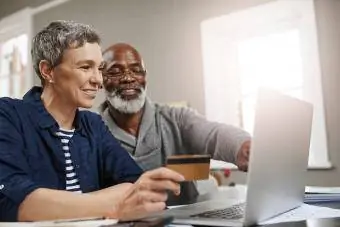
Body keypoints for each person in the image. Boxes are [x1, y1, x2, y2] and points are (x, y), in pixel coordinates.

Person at [0, 21, 185, 222]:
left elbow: (137, 187)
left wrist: (60, 205)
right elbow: (16, 201)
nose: (98, 80)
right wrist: (114, 206)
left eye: (100, 69)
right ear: (48, 71)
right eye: (86, 67)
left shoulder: (93, 124)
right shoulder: (8, 115)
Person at [100, 43, 251, 204]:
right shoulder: (89, 130)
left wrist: (243, 147)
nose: (128, 78)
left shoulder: (176, 118)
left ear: (146, 77)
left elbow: (213, 134)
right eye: (115, 72)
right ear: (100, 79)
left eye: (136, 70)